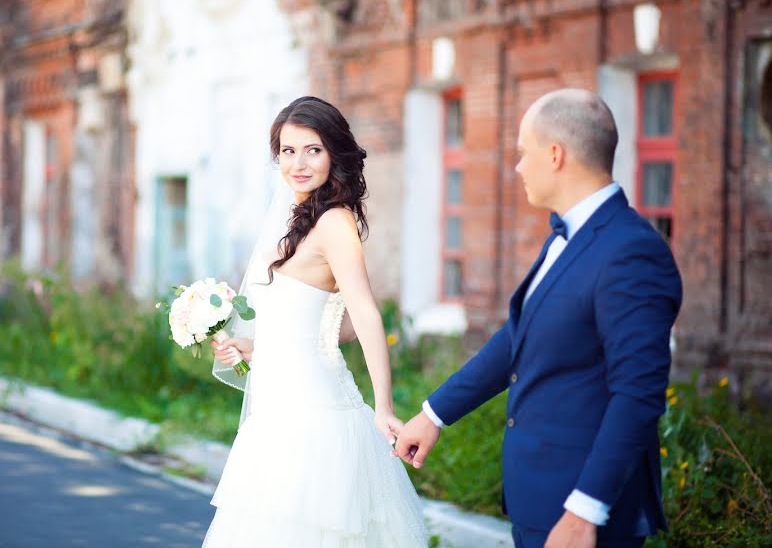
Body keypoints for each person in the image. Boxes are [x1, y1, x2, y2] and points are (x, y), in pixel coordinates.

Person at [395, 89, 682, 548]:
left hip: (584, 513)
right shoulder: (566, 237)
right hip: (538, 500)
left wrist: (585, 511)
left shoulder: (632, 252)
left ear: (555, 155)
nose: (518, 167)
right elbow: (518, 337)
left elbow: (638, 395)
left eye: (523, 153)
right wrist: (433, 415)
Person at [202, 96, 428, 547]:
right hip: (276, 417)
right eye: (288, 151)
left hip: (317, 418)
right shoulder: (293, 221)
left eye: (313, 150)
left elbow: (364, 312)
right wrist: (245, 348)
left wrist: (383, 405)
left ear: (334, 154)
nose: (298, 163)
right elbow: (291, 330)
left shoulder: (334, 223)